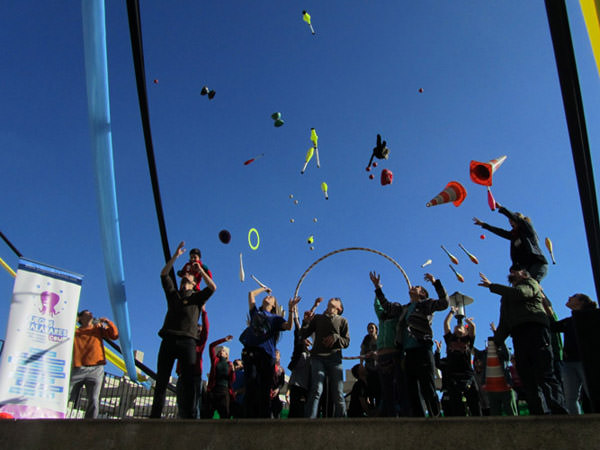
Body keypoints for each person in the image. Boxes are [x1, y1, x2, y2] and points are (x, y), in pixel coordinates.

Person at [479, 269, 567, 415]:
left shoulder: (530, 283)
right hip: (519, 335)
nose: (512, 272)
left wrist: (492, 286)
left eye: (516, 270)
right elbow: (505, 322)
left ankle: (559, 410)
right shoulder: (507, 296)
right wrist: (495, 342)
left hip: (536, 330)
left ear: (525, 274)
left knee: (544, 373)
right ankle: (537, 413)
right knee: (527, 377)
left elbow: (521, 293)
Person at [150, 241, 217, 419]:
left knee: (188, 383)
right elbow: (164, 274)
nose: (185, 276)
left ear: (195, 282)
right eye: (184, 276)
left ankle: (188, 418)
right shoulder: (174, 295)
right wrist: (176, 257)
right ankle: (154, 416)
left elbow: (213, 287)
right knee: (161, 381)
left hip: (188, 341)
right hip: (168, 340)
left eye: (189, 276)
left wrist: (200, 269)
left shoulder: (197, 298)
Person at [370, 271, 448, 417]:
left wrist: (435, 282)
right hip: (408, 352)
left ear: (423, 294)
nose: (413, 287)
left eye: (417, 287)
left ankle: (435, 416)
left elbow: (444, 303)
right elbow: (386, 306)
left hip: (423, 349)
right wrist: (377, 288)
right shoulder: (403, 309)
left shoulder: (426, 304)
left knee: (428, 386)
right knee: (411, 388)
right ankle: (418, 420)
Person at [239, 287, 298, 418]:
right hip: (251, 353)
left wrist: (291, 309)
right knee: (251, 384)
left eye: (271, 298)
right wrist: (263, 289)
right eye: (268, 296)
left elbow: (288, 326)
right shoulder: (255, 313)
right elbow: (251, 294)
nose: (268, 297)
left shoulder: (276, 318)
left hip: (266, 355)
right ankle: (248, 417)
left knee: (265, 388)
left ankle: (264, 418)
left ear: (273, 306)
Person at [301, 297, 350, 418]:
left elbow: (347, 341)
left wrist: (336, 337)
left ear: (339, 308)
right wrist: (306, 322)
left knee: (338, 392)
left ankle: (341, 422)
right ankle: (310, 421)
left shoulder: (343, 321)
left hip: (335, 359)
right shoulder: (318, 318)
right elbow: (302, 334)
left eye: (336, 299)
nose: (332, 298)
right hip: (317, 358)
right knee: (316, 389)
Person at [473, 204, 548, 282]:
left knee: (529, 284)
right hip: (526, 267)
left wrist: (501, 209)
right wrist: (484, 225)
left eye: (512, 220)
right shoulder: (513, 236)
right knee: (522, 285)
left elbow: (517, 219)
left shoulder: (527, 229)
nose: (511, 222)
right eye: (510, 222)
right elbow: (500, 232)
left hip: (537, 264)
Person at [550, 293, 598, 414]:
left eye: (574, 296)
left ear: (581, 302)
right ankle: (576, 422)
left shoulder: (591, 318)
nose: (570, 297)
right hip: (569, 362)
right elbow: (553, 326)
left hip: (585, 361)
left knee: (592, 392)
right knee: (570, 397)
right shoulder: (569, 321)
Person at [70, 310, 118, 418]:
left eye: (91, 313)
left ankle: (91, 422)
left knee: (94, 398)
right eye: (87, 314)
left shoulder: (98, 329)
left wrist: (107, 322)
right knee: (68, 394)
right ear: (80, 318)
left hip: (96, 368)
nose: (91, 315)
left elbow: (114, 335)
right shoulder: (75, 332)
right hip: (79, 367)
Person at [439, 308, 481, 416]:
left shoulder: (468, 340)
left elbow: (473, 328)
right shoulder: (450, 339)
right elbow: (446, 323)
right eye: (456, 327)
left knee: (474, 401)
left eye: (460, 327)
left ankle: (479, 421)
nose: (458, 327)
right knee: (456, 404)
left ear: (465, 331)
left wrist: (467, 321)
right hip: (454, 376)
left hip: (467, 375)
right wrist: (452, 312)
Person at [175, 305, 209, 418]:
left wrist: (203, 312)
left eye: (199, 331)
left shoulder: (200, 344)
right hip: (183, 375)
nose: (198, 332)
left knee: (194, 406)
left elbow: (206, 330)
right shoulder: (185, 341)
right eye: (196, 330)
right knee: (181, 404)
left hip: (195, 376)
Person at [207, 335, 235, 419]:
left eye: (223, 351)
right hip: (214, 389)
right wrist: (224, 340)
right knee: (208, 413)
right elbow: (211, 346)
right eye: (220, 351)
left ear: (227, 355)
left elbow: (232, 380)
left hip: (224, 390)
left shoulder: (229, 364)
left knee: (224, 414)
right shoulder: (215, 360)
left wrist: (233, 371)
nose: (221, 351)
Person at [360, 322, 380, 408]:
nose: (370, 330)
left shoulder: (380, 339)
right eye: (369, 328)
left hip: (380, 367)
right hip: (369, 367)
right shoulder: (366, 341)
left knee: (379, 387)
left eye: (372, 328)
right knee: (370, 386)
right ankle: (371, 406)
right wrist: (361, 365)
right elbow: (362, 353)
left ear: (376, 329)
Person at [270, 349, 286, 418]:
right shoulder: (268, 367)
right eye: (274, 354)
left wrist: (277, 389)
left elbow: (281, 382)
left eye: (277, 354)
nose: (276, 355)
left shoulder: (281, 369)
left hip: (276, 394)